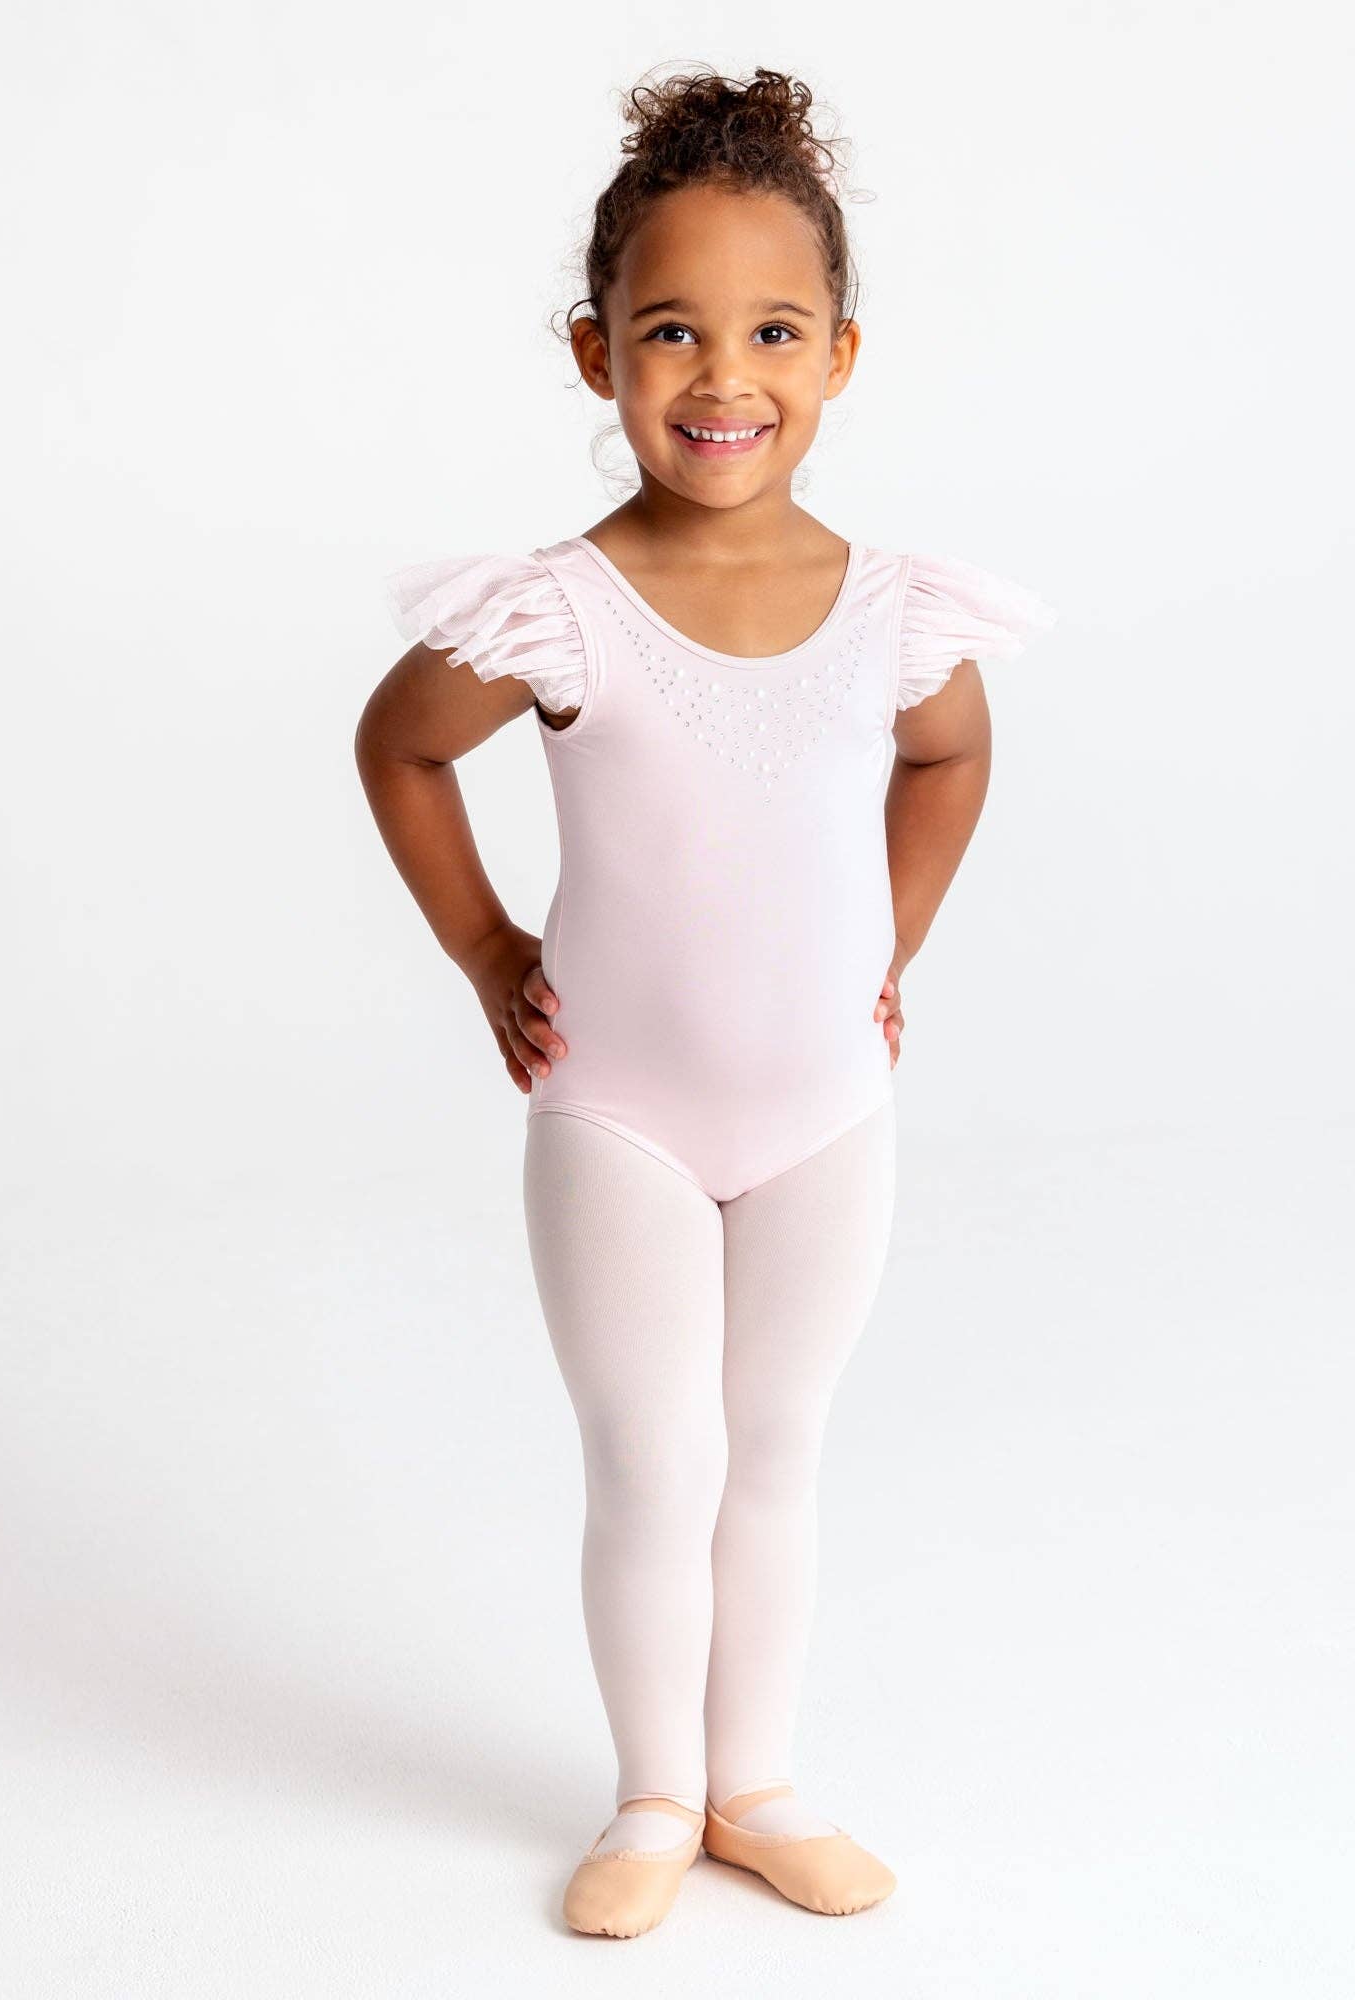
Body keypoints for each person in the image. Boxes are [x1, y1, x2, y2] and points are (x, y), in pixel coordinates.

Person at [357, 64, 1054, 1939]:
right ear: (598, 355)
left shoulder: (892, 607)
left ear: (840, 355)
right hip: (623, 1118)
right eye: (671, 331)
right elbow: (399, 748)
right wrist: (489, 952)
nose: (721, 375)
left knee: (780, 1448)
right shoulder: (561, 607)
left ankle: (760, 1782)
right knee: (652, 1461)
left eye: (771, 332)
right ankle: (654, 1795)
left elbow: (951, 761)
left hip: (827, 1110)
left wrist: (887, 949)